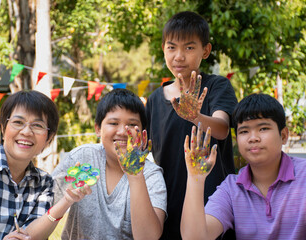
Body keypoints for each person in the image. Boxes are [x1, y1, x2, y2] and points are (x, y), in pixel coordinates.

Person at [0, 90, 91, 240]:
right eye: (18, 122)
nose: (26, 132)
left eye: (37, 125)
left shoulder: (43, 182)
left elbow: (30, 235)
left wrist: (68, 200)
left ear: (49, 138)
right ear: (3, 128)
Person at [145, 11, 237, 239]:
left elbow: (222, 129)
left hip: (214, 205)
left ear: (205, 50)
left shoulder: (216, 86)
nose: (178, 56)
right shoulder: (156, 99)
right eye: (172, 47)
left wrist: (195, 116)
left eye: (189, 47)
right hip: (168, 203)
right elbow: (143, 149)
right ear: (163, 49)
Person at [181, 93, 306, 239]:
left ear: (284, 135)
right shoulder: (231, 188)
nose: (253, 138)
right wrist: (195, 178)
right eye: (244, 131)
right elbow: (195, 237)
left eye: (263, 128)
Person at [52, 88, 167, 240]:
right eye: (113, 123)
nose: (122, 131)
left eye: (132, 124)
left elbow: (148, 237)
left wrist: (135, 175)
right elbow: (42, 205)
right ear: (98, 129)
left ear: (143, 132)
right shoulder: (82, 157)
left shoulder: (151, 175)